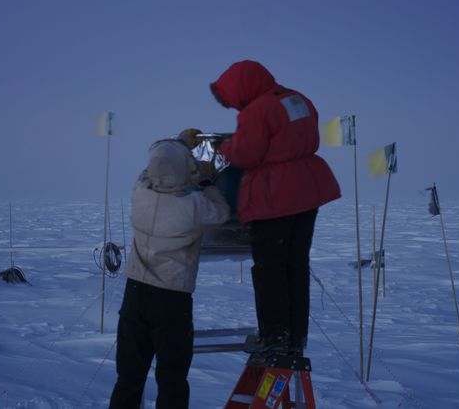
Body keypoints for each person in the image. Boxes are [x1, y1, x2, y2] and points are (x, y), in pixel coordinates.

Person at [211, 60, 341, 357]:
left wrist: (225, 147)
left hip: (276, 196)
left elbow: (246, 154)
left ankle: (274, 337)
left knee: (270, 269)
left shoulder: (258, 110)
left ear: (242, 87)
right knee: (295, 266)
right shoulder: (297, 99)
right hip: (307, 192)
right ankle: (295, 337)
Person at [108, 136, 230, 409]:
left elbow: (150, 172)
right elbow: (221, 213)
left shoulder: (140, 193)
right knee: (172, 380)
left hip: (135, 293)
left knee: (128, 378)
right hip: (172, 299)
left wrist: (172, 147)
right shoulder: (194, 206)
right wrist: (207, 181)